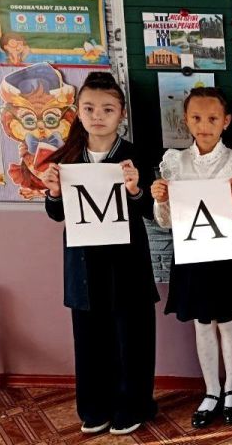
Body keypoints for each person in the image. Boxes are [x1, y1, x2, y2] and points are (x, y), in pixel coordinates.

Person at [42, 71, 158, 437]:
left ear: (121, 114)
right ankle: (94, 408)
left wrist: (137, 190)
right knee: (90, 341)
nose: (98, 115)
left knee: (131, 338)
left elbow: (151, 208)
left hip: (126, 263)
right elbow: (57, 214)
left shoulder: (135, 155)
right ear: (77, 111)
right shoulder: (68, 157)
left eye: (108, 109)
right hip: (84, 264)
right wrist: (54, 193)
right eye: (89, 107)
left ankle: (133, 406)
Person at [150, 87, 232, 429]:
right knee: (202, 323)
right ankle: (210, 390)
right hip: (193, 255)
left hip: (227, 254)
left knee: (228, 322)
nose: (204, 125)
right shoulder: (174, 162)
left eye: (212, 118)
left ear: (226, 122)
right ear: (186, 120)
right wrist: (159, 199)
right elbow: (165, 221)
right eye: (196, 118)